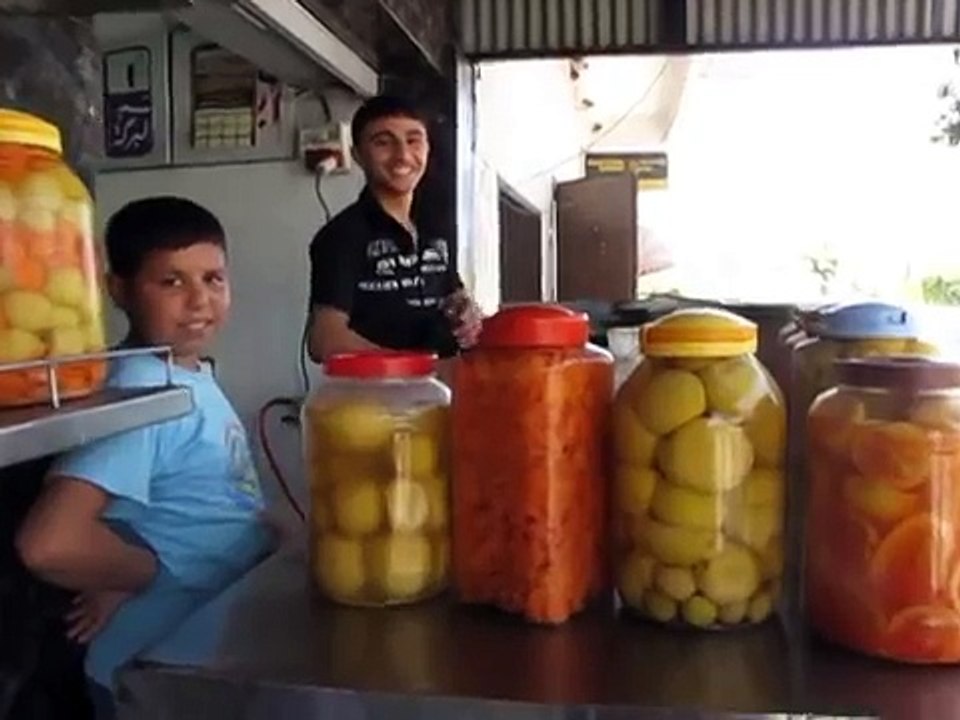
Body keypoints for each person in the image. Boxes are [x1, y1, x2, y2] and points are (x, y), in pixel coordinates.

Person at [15, 197, 274, 716]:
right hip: (147, 677)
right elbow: (49, 544)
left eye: (213, 278)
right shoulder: (140, 395)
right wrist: (136, 575)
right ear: (119, 290)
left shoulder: (181, 373)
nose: (199, 300)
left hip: (192, 654)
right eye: (171, 282)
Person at [307, 95, 482, 364]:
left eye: (413, 140)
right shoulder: (341, 236)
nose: (402, 155)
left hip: (441, 395)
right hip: (373, 401)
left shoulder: (434, 226)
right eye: (383, 143)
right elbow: (325, 340)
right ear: (357, 155)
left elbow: (452, 295)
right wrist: (413, 371)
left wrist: (465, 310)